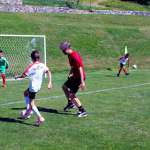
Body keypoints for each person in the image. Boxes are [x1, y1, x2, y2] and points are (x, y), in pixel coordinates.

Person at [15, 50, 52, 126]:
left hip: (33, 87)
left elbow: (23, 75)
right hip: (38, 86)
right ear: (39, 57)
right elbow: (48, 71)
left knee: (32, 104)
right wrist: (50, 82)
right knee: (25, 93)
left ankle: (40, 117)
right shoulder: (42, 65)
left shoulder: (31, 66)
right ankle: (29, 111)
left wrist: (17, 77)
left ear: (32, 58)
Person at [59, 41, 87, 117]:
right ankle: (70, 103)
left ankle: (82, 111)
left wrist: (82, 82)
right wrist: (70, 73)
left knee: (71, 94)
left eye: (63, 50)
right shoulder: (69, 55)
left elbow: (80, 68)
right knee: (64, 87)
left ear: (67, 48)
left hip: (79, 78)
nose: (62, 51)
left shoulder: (75, 56)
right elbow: (72, 66)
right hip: (74, 76)